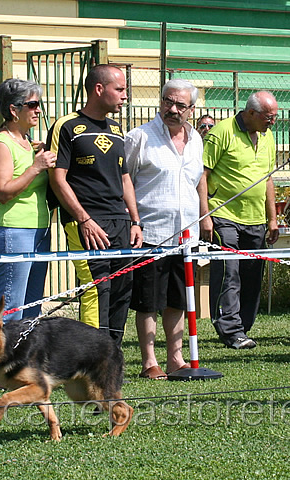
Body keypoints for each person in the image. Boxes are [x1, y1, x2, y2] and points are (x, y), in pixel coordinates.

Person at [48, 64, 143, 347]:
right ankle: (93, 359)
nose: (125, 96)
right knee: (96, 289)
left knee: (122, 290)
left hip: (121, 222)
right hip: (87, 223)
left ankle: (111, 356)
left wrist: (135, 221)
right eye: (120, 89)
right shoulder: (67, 126)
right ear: (99, 89)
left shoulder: (116, 129)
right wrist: (83, 219)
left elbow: (124, 178)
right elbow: (58, 179)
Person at [125, 79, 206, 379]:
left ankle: (176, 359)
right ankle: (149, 362)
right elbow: (126, 181)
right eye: (167, 102)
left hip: (186, 235)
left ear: (191, 109)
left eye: (180, 105)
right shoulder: (140, 137)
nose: (172, 109)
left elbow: (198, 181)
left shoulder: (197, 139)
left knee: (178, 298)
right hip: (150, 232)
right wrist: (134, 222)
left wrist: (204, 215)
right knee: (148, 300)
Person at [200, 91, 280, 349]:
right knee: (229, 273)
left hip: (255, 218)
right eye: (269, 117)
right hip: (224, 216)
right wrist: (205, 216)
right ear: (252, 113)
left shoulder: (268, 137)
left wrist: (272, 219)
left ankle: (243, 327)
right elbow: (202, 174)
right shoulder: (222, 132)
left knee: (252, 275)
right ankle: (230, 329)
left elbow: (267, 179)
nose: (273, 122)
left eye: (276, 117)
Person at [0, 78, 57, 322]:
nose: (38, 110)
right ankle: (0, 359)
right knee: (11, 305)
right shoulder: (1, 145)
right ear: (14, 110)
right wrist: (36, 168)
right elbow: (3, 192)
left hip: (38, 230)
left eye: (39, 104)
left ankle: (23, 358)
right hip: (12, 231)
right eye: (32, 104)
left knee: (32, 305)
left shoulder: (28, 143)